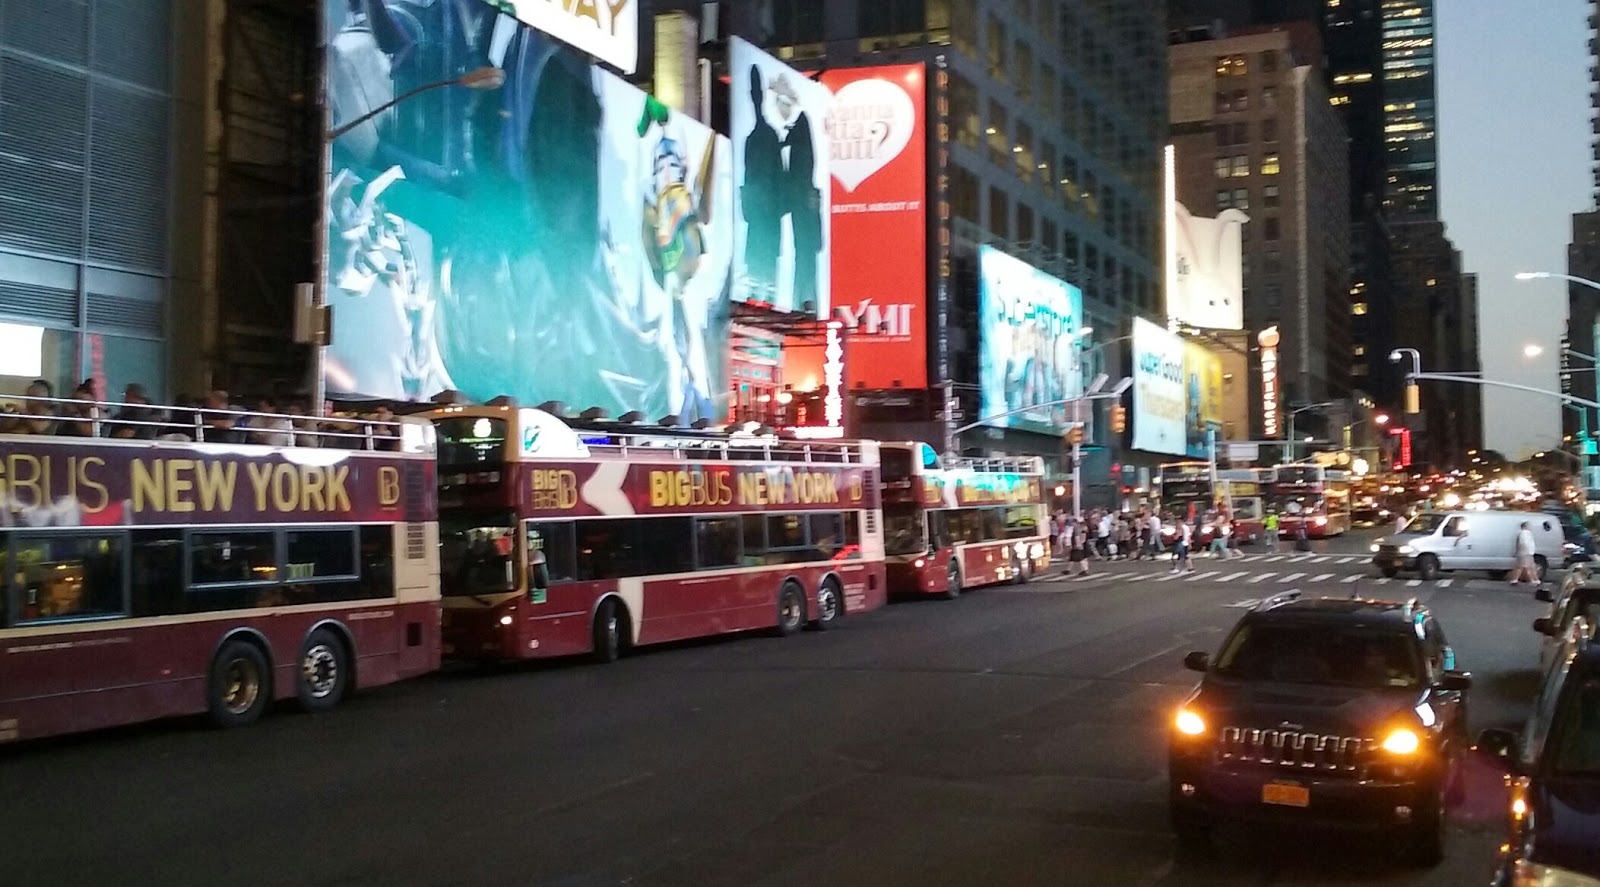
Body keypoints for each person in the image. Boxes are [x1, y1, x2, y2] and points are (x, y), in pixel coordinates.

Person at [739, 64, 783, 299]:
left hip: (766, 219)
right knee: (757, 275)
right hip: (759, 219)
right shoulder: (753, 139)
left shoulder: (765, 137)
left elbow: (779, 178)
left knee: (765, 276)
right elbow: (749, 177)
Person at [1511, 520, 1539, 586]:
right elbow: (1524, 543)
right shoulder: (1525, 533)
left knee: (1523, 566)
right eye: (1529, 525)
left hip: (1524, 552)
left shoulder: (1523, 533)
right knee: (1528, 566)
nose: (1531, 527)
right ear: (1526, 526)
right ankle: (1534, 580)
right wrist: (1528, 550)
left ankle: (1515, 579)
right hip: (1526, 552)